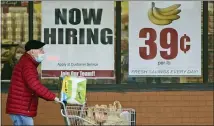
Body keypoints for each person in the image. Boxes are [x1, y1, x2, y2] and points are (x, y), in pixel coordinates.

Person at [6, 40, 60, 126]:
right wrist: (53, 97)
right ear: (32, 51)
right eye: (40, 50)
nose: (43, 52)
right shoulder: (28, 65)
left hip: (20, 107)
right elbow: (35, 85)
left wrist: (51, 98)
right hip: (21, 108)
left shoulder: (27, 62)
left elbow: (34, 87)